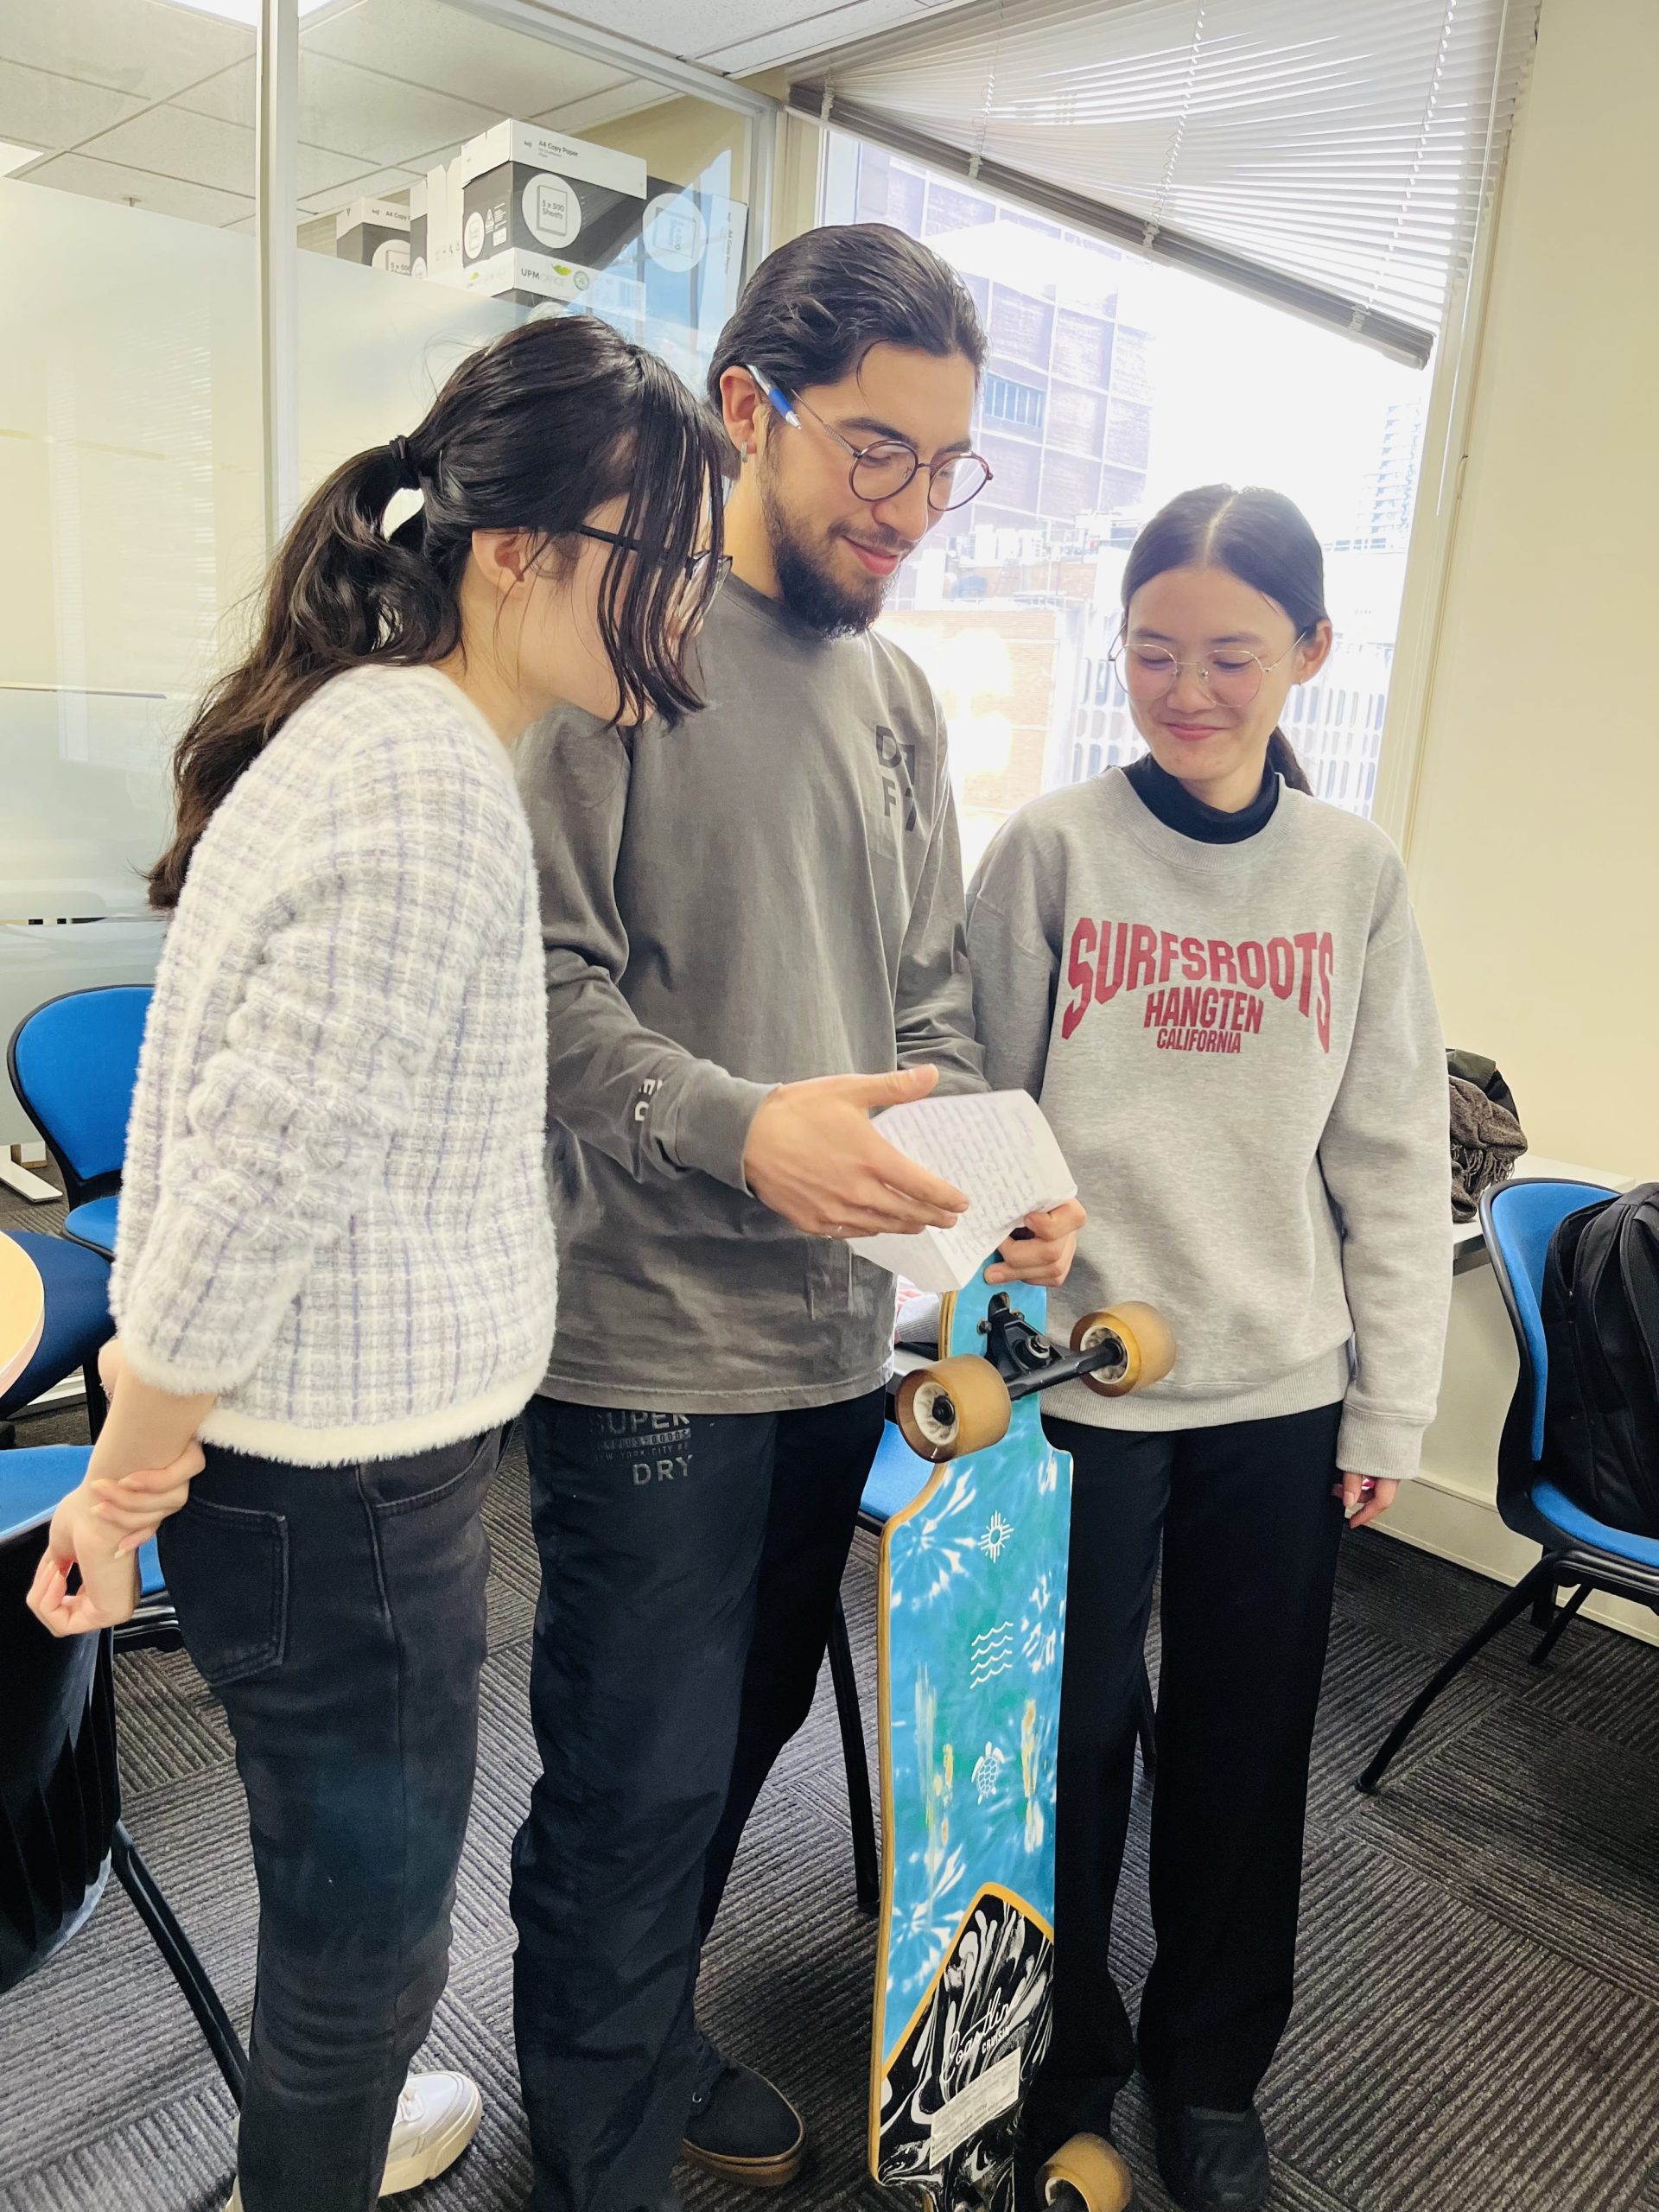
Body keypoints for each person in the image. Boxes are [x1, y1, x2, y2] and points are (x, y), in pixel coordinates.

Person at [26, 315, 729, 2212]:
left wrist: (144, 1434)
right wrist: (127, 1475)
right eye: (663, 559)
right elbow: (261, 1176)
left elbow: (262, 1129)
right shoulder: (422, 779)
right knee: (368, 1942)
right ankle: (313, 2155)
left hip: (314, 1466)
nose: (683, 607)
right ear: (526, 552)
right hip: (333, 1488)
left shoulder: (378, 729)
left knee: (345, 1898)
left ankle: (323, 2129)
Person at [510, 223, 1085, 2212]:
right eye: (876, 450)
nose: (911, 508)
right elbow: (542, 990)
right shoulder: (613, 643)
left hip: (835, 1340)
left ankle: (633, 2033)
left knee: (738, 1736)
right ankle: (594, 2149)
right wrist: (744, 1127)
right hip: (647, 1342)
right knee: (634, 1776)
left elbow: (925, 1001)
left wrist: (999, 1184)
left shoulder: (898, 696)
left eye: (946, 464)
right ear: (747, 407)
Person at [964, 486, 1451, 2212]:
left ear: (1308, 652)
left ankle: (1210, 2068)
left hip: (1278, 1388)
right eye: (1154, 651)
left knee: (1244, 1750)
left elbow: (1390, 1152)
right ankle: (1058, 2063)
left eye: (1231, 656)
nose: (1188, 690)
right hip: (1076, 1389)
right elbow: (978, 1123)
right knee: (1065, 1745)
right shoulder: (1052, 850)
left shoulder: (1353, 874)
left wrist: (1390, 1403)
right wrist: (990, 1349)